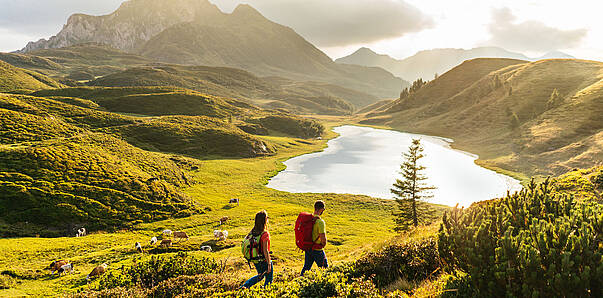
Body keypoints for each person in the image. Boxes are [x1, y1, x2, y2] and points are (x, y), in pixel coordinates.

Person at [241, 210, 273, 288]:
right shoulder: (264, 234)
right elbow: (265, 251)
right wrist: (269, 264)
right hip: (263, 259)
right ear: (264, 220)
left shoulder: (253, 231)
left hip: (255, 259)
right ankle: (267, 292)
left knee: (260, 275)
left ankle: (244, 286)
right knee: (269, 278)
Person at [301, 200, 328, 276]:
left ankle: (298, 283)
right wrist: (323, 244)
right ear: (322, 209)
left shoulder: (309, 219)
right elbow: (323, 237)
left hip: (308, 248)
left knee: (306, 268)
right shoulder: (320, 222)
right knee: (325, 269)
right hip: (317, 250)